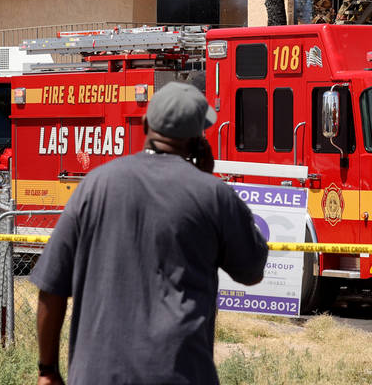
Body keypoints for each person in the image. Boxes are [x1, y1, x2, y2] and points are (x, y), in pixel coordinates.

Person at [32, 82, 268, 385]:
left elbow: (51, 287)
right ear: (198, 140)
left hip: (97, 374)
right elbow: (252, 270)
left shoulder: (94, 185)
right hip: (179, 373)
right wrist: (207, 181)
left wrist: (47, 370)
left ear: (145, 125)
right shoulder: (214, 196)